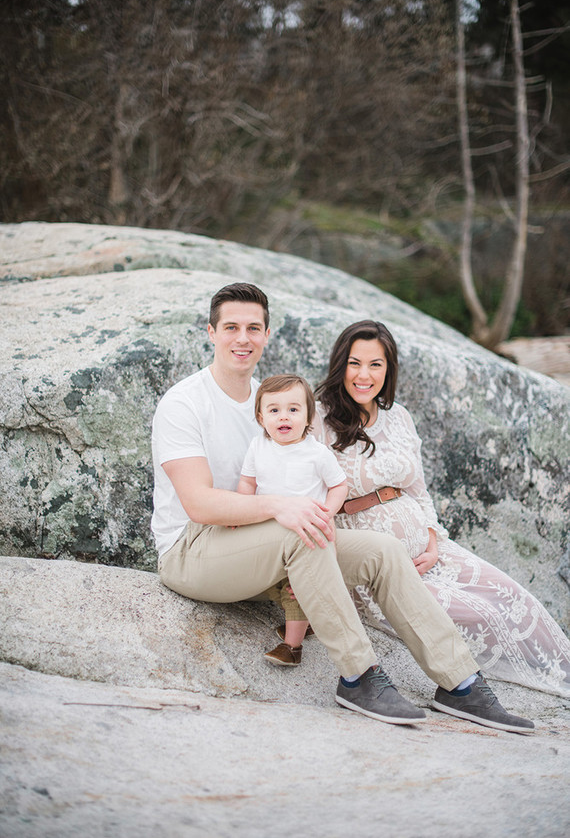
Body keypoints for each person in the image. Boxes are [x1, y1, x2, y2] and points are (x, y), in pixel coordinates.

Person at [151, 281, 534, 732]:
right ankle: (358, 676)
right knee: (302, 529)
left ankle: (460, 683)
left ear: (268, 335)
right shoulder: (185, 403)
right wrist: (283, 508)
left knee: (381, 551)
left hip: (261, 547)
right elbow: (198, 503)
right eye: (231, 327)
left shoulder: (275, 400)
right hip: (194, 551)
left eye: (254, 328)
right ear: (211, 332)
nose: (243, 338)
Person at [310, 319, 570, 699]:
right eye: (354, 363)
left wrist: (432, 541)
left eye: (375, 365)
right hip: (376, 562)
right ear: (339, 366)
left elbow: (420, 491)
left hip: (430, 550)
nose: (364, 375)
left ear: (389, 369)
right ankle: (467, 686)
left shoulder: (399, 417)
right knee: (481, 615)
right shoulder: (319, 418)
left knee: (515, 599)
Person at [238, 373, 347, 666]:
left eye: (293, 409)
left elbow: (339, 485)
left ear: (309, 416)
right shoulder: (258, 446)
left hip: (308, 532)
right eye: (274, 410)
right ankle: (306, 620)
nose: (283, 417)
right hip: (269, 528)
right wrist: (242, 511)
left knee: (296, 587)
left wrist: (327, 512)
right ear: (261, 418)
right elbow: (248, 483)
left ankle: (292, 646)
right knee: (273, 579)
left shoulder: (316, 453)